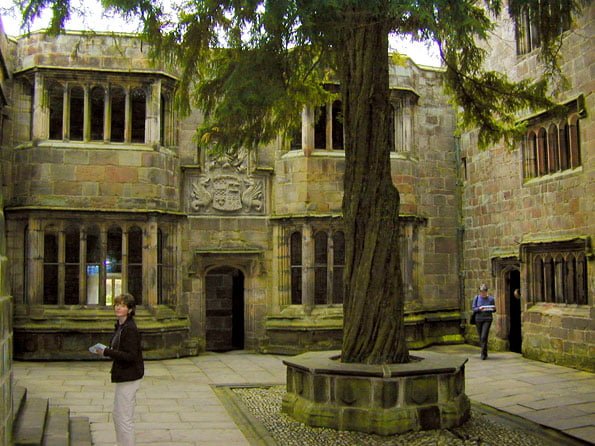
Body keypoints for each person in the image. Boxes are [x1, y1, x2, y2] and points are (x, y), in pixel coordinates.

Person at [92, 293, 144, 446]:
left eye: (122, 305)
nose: (118, 308)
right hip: (123, 375)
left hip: (130, 376)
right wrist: (106, 350)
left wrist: (106, 352)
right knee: (117, 415)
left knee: (124, 417)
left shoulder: (130, 329)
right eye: (117, 305)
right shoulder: (121, 326)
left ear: (129, 309)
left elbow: (131, 356)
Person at [471, 284, 496, 360]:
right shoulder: (477, 298)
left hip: (487, 319)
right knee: (481, 337)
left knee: (484, 336)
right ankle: (485, 352)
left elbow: (494, 310)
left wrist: (493, 308)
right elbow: (474, 308)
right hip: (478, 319)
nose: (483, 293)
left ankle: (482, 353)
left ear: (486, 291)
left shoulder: (491, 299)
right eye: (481, 292)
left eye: (484, 292)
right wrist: (479, 309)